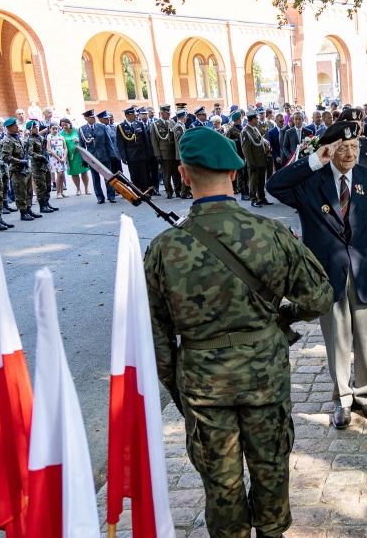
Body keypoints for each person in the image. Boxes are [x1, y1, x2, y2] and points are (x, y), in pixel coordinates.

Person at [145, 126, 333, 538]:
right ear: (235, 173)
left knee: (221, 483)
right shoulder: (272, 234)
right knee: (270, 467)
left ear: (182, 173)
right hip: (264, 373)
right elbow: (320, 297)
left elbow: (158, 339)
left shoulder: (163, 249)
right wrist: (282, 318)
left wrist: (180, 391)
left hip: (202, 382)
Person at [266, 121, 367, 430]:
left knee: (365, 337)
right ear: (329, 149)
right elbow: (274, 186)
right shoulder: (310, 181)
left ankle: (364, 395)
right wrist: (313, 161)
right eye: (342, 147)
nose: (349, 153)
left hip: (365, 269)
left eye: (354, 146)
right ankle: (343, 400)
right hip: (326, 273)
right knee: (336, 337)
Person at [2, 118, 40, 221]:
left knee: (28, 191)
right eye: (15, 125)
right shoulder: (8, 141)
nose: (17, 127)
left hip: (25, 169)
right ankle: (23, 212)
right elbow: (5, 157)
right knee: (20, 192)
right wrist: (20, 161)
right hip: (17, 170)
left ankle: (28, 209)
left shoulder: (18, 138)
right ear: (9, 127)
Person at [78, 110, 117, 204]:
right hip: (92, 157)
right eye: (91, 118)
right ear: (86, 118)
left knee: (108, 177)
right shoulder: (82, 129)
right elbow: (81, 145)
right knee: (95, 178)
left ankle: (111, 196)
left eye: (94, 117)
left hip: (104, 155)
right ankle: (100, 197)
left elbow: (108, 142)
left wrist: (112, 154)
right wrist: (83, 159)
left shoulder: (102, 127)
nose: (93, 119)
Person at [116, 107, 153, 193]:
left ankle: (145, 192)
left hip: (142, 154)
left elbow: (145, 140)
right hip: (131, 155)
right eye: (133, 115)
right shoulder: (121, 127)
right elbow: (120, 144)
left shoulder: (139, 124)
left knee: (144, 175)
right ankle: (136, 192)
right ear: (127, 115)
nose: (135, 117)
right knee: (134, 175)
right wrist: (124, 157)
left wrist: (148, 153)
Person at [241, 111, 272, 207]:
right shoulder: (245, 132)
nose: (257, 120)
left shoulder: (255, 129)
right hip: (254, 161)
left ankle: (261, 197)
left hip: (261, 160)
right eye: (256, 119)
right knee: (253, 182)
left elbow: (261, 144)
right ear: (252, 120)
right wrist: (250, 163)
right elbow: (246, 150)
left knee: (261, 180)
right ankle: (253, 199)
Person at [27, 119, 56, 214]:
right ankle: (42, 205)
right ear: (30, 129)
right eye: (34, 127)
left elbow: (45, 149)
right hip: (37, 166)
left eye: (37, 126)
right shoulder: (30, 140)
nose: (36, 128)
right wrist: (41, 157)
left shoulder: (41, 138)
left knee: (47, 185)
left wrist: (47, 154)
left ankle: (47, 203)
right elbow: (30, 153)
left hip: (45, 164)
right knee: (41, 186)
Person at [59, 118, 89, 196]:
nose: (64, 127)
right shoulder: (61, 134)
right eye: (62, 125)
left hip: (80, 154)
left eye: (66, 125)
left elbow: (84, 139)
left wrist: (78, 140)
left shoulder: (77, 130)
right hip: (70, 156)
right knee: (74, 172)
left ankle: (87, 188)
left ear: (70, 124)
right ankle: (78, 189)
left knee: (84, 171)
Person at [46, 123, 68, 199]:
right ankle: (58, 192)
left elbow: (65, 148)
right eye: (53, 129)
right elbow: (49, 149)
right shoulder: (49, 137)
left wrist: (64, 157)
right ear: (50, 129)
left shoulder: (61, 137)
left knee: (62, 174)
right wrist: (58, 158)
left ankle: (62, 191)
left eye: (56, 129)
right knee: (59, 174)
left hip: (62, 158)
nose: (55, 130)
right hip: (54, 158)